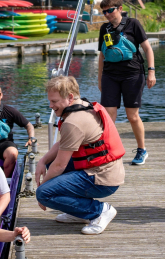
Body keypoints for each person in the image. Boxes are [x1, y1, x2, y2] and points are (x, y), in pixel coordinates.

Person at [35, 76, 125, 235]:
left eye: (54, 101)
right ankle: (78, 212)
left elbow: (60, 166)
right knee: (49, 164)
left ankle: (99, 211)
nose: (50, 106)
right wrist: (42, 161)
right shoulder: (82, 105)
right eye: (50, 101)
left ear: (70, 97)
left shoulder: (73, 121)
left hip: (103, 178)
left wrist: (41, 190)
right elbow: (63, 145)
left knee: (44, 194)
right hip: (102, 168)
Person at [98, 0, 156, 165]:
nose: (107, 14)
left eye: (110, 10)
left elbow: (147, 49)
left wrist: (151, 71)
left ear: (120, 9)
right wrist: (100, 79)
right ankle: (109, 150)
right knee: (108, 116)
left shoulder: (133, 24)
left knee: (132, 116)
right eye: (104, 12)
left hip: (133, 74)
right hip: (110, 75)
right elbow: (102, 55)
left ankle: (141, 150)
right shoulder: (104, 28)